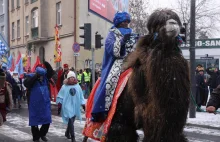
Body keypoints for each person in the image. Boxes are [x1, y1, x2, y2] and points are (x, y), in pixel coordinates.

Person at [91, 11, 138, 122]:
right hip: (118, 63)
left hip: (133, 60)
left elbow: (136, 48)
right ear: (119, 23)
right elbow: (113, 51)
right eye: (124, 22)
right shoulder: (111, 35)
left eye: (127, 22)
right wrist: (121, 42)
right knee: (111, 80)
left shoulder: (133, 34)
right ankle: (103, 108)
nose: (126, 24)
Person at [24, 62, 54, 142]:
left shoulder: (45, 77)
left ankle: (42, 134)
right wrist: (35, 77)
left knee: (47, 120)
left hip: (45, 104)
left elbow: (51, 72)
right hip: (34, 105)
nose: (41, 77)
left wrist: (46, 63)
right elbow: (27, 84)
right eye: (40, 75)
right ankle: (36, 137)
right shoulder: (30, 77)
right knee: (34, 122)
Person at [56, 71, 85, 142]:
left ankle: (67, 132)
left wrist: (83, 104)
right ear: (68, 78)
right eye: (70, 77)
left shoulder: (77, 86)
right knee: (70, 120)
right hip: (67, 106)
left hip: (75, 106)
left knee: (71, 121)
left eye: (73, 77)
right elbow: (60, 95)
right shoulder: (64, 87)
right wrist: (60, 104)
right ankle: (73, 137)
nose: (72, 78)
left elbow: (81, 96)